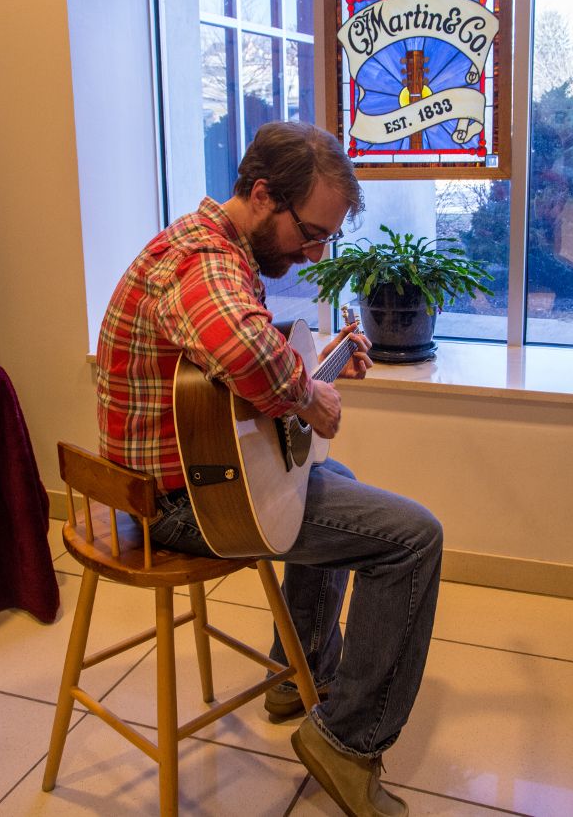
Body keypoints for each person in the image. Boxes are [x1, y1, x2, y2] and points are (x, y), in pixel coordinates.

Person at [97, 121, 443, 817]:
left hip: (182, 478)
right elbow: (242, 348)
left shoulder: (211, 249)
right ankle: (346, 745)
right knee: (414, 536)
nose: (314, 252)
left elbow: (230, 357)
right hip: (176, 504)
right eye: (310, 232)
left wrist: (326, 359)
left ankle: (300, 672)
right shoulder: (204, 260)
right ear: (261, 195)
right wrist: (309, 394)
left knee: (330, 480)